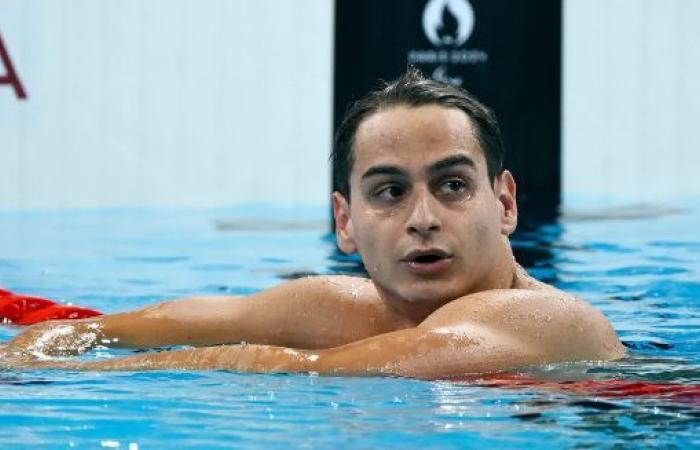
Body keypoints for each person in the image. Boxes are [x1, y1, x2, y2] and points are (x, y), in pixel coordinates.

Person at [0, 69, 624, 377]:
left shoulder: (549, 320)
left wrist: (99, 374)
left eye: (453, 185)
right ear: (344, 224)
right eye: (390, 192)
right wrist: (35, 352)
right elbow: (124, 328)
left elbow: (311, 372)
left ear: (506, 205)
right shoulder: (338, 310)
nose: (423, 219)